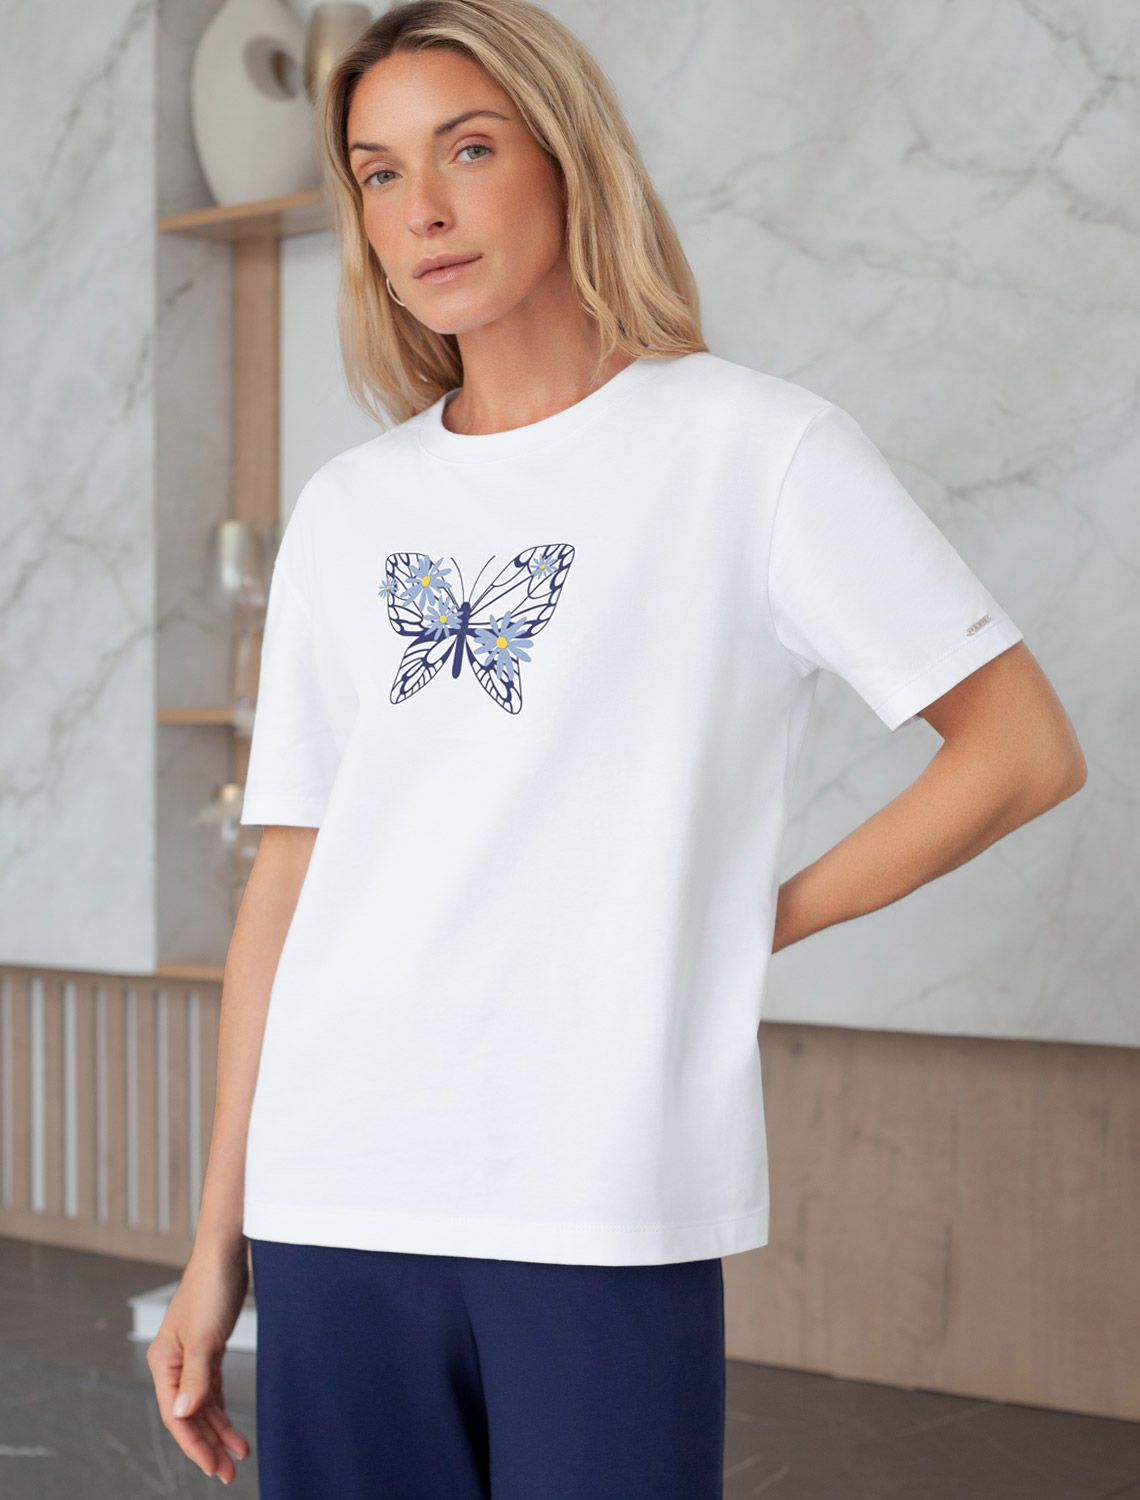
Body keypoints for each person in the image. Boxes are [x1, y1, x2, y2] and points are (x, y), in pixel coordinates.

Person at [145, 1, 1087, 1494]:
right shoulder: (350, 509)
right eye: (379, 173)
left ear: (568, 159)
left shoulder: (753, 450)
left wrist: (749, 919)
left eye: (468, 149)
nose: (422, 208)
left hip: (595, 1191)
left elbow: (1020, 748)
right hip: (334, 1190)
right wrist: (217, 1246)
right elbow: (290, 879)